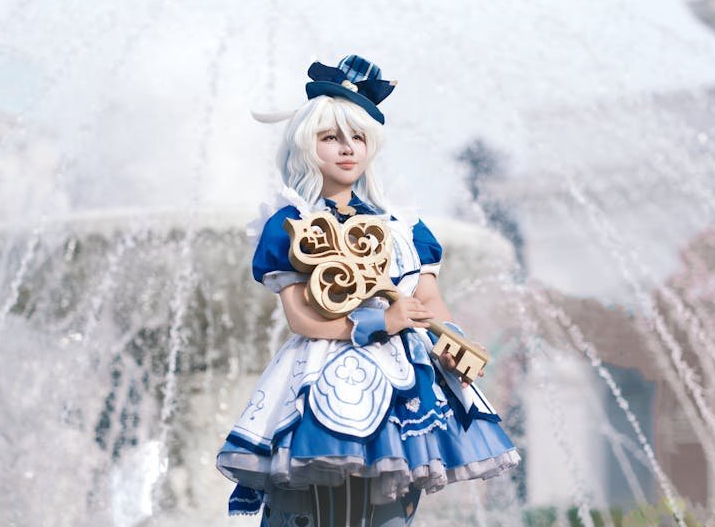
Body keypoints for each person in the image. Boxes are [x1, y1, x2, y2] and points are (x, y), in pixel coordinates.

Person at [216, 55, 520, 527]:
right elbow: (300, 319)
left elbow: (429, 299)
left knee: (391, 507)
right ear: (305, 145)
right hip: (326, 377)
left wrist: (451, 341)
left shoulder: (403, 224)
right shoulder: (291, 224)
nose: (346, 148)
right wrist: (382, 321)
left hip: (405, 377)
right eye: (330, 137)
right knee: (319, 507)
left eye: (357, 137)